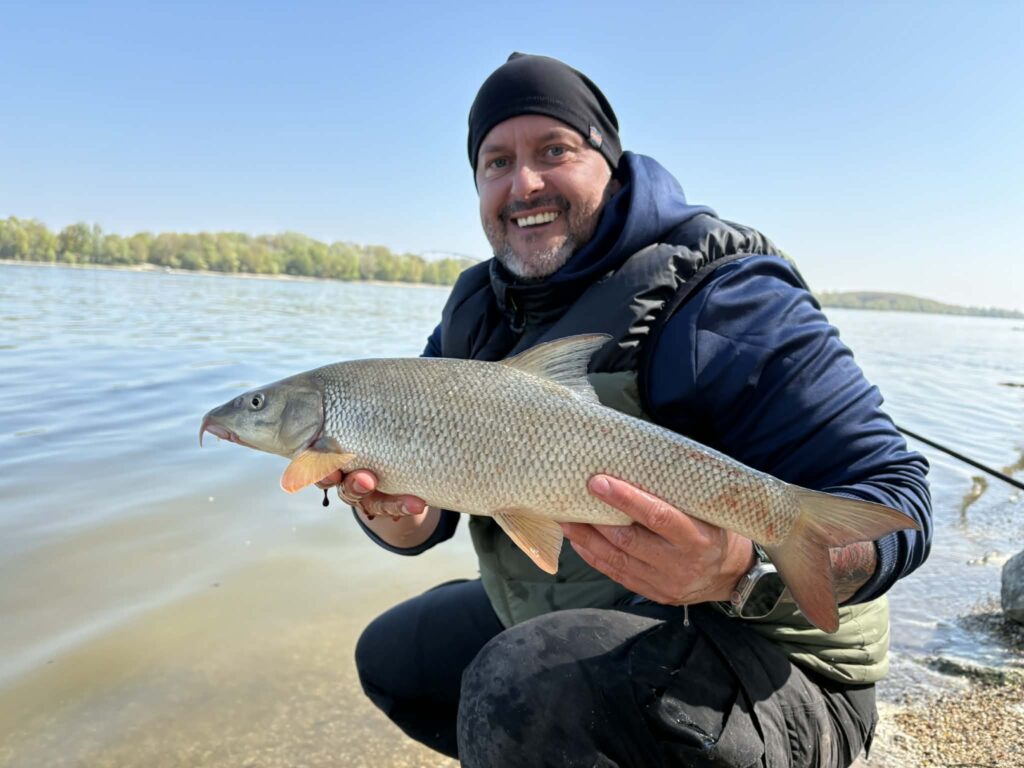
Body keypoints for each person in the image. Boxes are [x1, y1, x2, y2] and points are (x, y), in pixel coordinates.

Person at [318, 53, 932, 768]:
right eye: (496, 162)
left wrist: (741, 570)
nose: (524, 183)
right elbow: (430, 519)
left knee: (519, 688)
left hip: (781, 669)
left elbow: (901, 500)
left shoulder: (725, 293)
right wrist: (393, 508)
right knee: (396, 658)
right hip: (580, 611)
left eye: (554, 150)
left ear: (608, 160)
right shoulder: (475, 314)